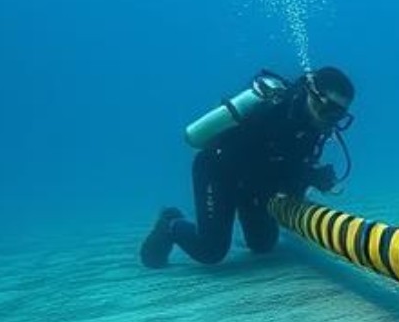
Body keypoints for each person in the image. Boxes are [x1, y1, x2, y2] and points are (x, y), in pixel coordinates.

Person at [139, 66, 356, 269]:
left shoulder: (313, 126)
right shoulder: (273, 109)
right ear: (312, 94)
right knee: (211, 251)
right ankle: (170, 224)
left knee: (263, 245)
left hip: (253, 184)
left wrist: (311, 177)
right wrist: (305, 176)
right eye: (329, 109)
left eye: (339, 114)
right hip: (218, 171)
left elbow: (284, 171)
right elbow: (252, 161)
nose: (332, 120)